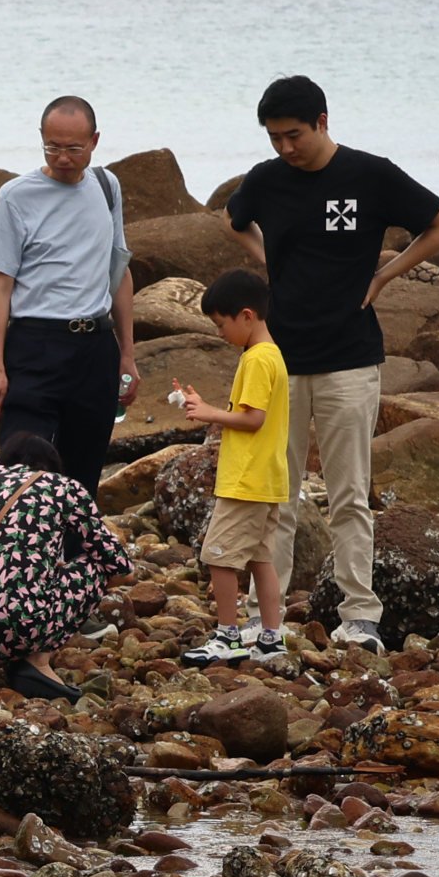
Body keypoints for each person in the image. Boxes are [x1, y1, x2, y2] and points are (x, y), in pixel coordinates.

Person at [226, 76, 439, 650]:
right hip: (281, 359)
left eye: (294, 135)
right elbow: (234, 221)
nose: (285, 147)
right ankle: (266, 618)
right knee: (275, 493)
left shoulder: (369, 174)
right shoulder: (266, 180)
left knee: (348, 491)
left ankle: (360, 615)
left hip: (349, 357)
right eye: (274, 137)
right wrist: (271, 264)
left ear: (323, 122)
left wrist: (384, 274)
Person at [0, 94, 137, 487]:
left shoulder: (106, 186)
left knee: (83, 473)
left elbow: (119, 269)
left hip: (95, 346)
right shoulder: (15, 196)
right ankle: (13, 543)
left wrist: (128, 356)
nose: (62, 157)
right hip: (36, 344)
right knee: (19, 466)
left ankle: (72, 548)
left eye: (73, 148)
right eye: (52, 147)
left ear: (95, 141)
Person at [0, 419, 138, 699]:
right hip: (23, 630)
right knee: (95, 567)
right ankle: (37, 663)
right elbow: (120, 567)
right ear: (51, 464)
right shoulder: (63, 488)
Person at [170, 269, 293, 661]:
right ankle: (271, 638)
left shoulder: (257, 360)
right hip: (266, 479)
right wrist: (206, 406)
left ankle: (228, 636)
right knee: (260, 558)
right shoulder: (271, 356)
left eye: (221, 325)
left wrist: (208, 413)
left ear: (246, 316)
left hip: (245, 480)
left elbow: (253, 418)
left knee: (217, 556)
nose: (220, 333)